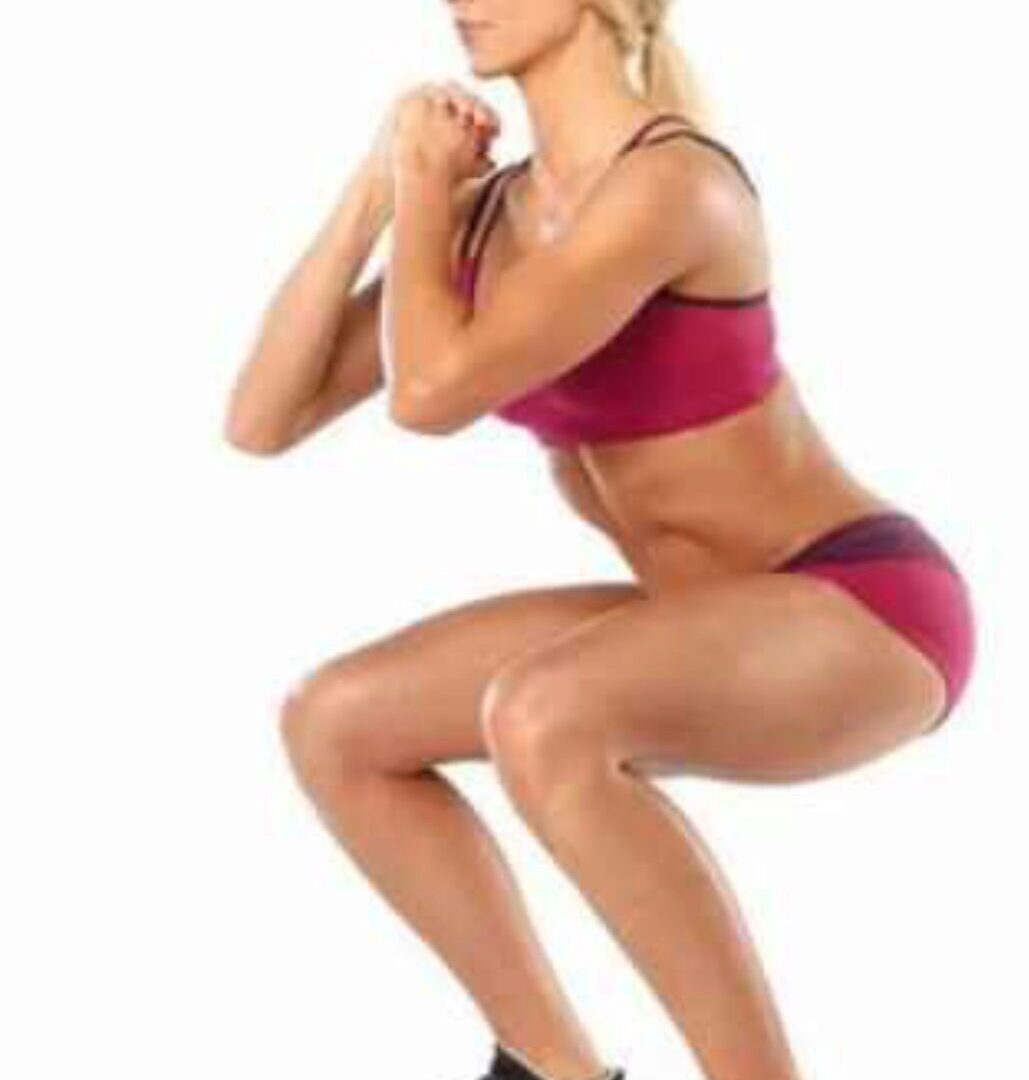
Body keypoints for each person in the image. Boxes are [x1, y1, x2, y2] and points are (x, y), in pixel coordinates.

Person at [223, 3, 977, 1079]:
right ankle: (553, 1073)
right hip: (699, 617)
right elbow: (262, 418)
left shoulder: (673, 187)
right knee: (336, 721)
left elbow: (428, 394)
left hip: (863, 606)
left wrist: (427, 192)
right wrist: (374, 192)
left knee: (543, 714)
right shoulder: (489, 219)